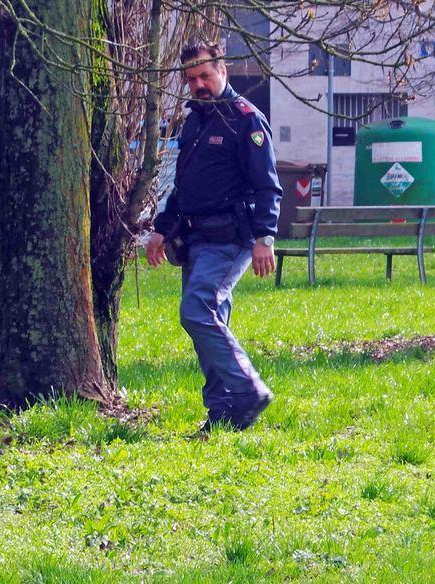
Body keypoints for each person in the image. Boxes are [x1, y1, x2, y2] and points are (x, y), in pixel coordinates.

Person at [146, 40, 282, 431]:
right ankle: (223, 413)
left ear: (222, 70)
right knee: (208, 325)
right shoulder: (195, 121)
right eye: (191, 79)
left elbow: (268, 186)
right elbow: (183, 187)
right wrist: (161, 230)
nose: (198, 85)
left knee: (196, 310)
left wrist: (265, 238)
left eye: (205, 75)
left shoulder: (246, 120)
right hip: (195, 240)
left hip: (231, 238)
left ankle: (249, 390)